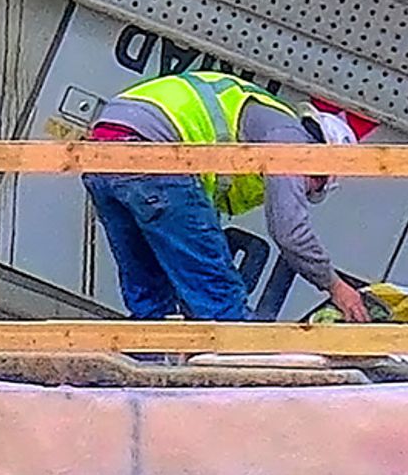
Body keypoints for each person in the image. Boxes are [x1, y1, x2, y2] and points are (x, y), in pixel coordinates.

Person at [81, 68, 377, 325]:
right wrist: (336, 286)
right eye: (315, 183)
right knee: (222, 300)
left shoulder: (261, 122)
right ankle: (233, 385)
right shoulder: (292, 140)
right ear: (321, 155)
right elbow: (290, 233)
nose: (304, 189)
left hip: (103, 153)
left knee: (150, 295)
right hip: (157, 153)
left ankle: (146, 377)